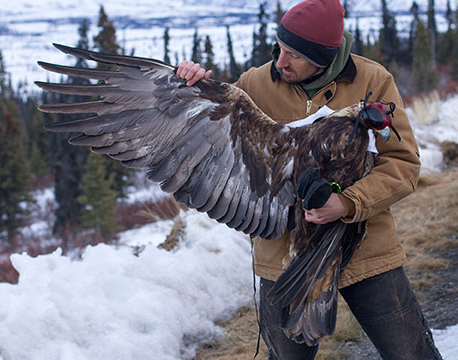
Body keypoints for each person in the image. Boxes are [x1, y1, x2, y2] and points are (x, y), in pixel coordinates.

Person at [176, 0, 443, 359]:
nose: (281, 61)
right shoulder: (255, 84)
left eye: (295, 55)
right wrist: (188, 86)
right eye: (280, 48)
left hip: (366, 248)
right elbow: (207, 127)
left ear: (326, 57)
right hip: (285, 257)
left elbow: (403, 163)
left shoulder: (373, 81)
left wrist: (347, 204)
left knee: (411, 353)